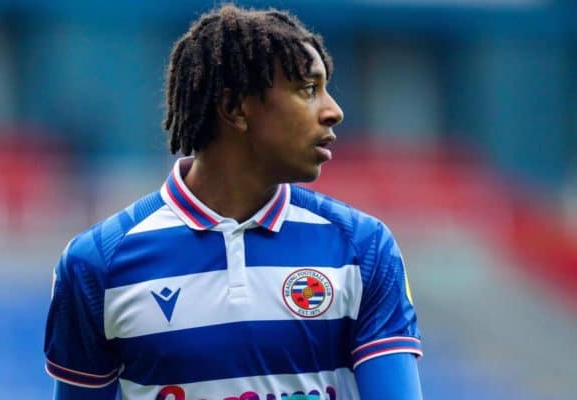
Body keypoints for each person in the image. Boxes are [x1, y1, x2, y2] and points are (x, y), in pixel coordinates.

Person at [44, 5, 423, 400]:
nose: (334, 111)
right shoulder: (97, 265)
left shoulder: (362, 248)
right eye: (308, 90)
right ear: (234, 108)